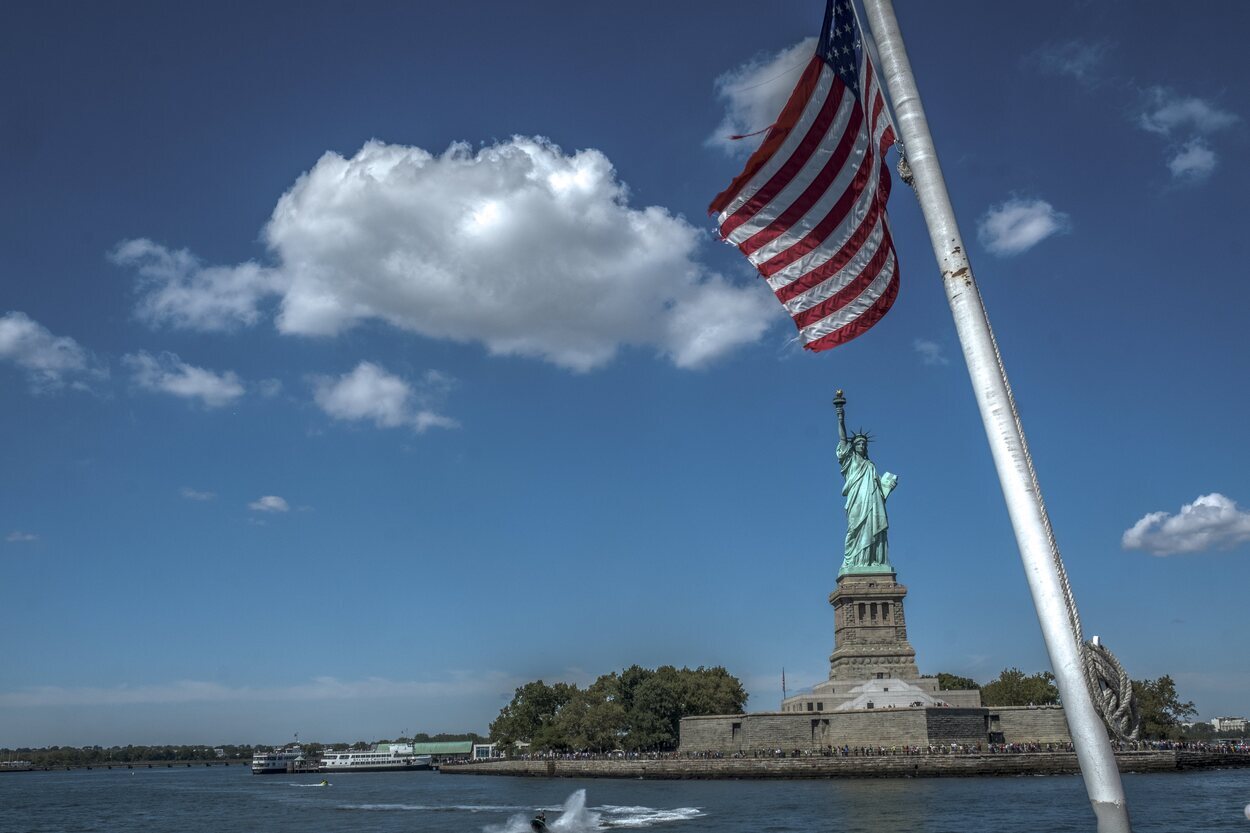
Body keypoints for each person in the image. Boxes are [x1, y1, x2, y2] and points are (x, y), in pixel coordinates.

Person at [833, 391, 897, 575]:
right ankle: (855, 560)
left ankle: (873, 561)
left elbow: (878, 491)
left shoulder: (870, 465)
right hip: (857, 501)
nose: (862, 446)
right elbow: (842, 439)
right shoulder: (850, 460)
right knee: (855, 529)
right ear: (854, 447)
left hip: (873, 503)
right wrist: (840, 417)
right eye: (859, 444)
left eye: (864, 444)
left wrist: (887, 487)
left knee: (874, 528)